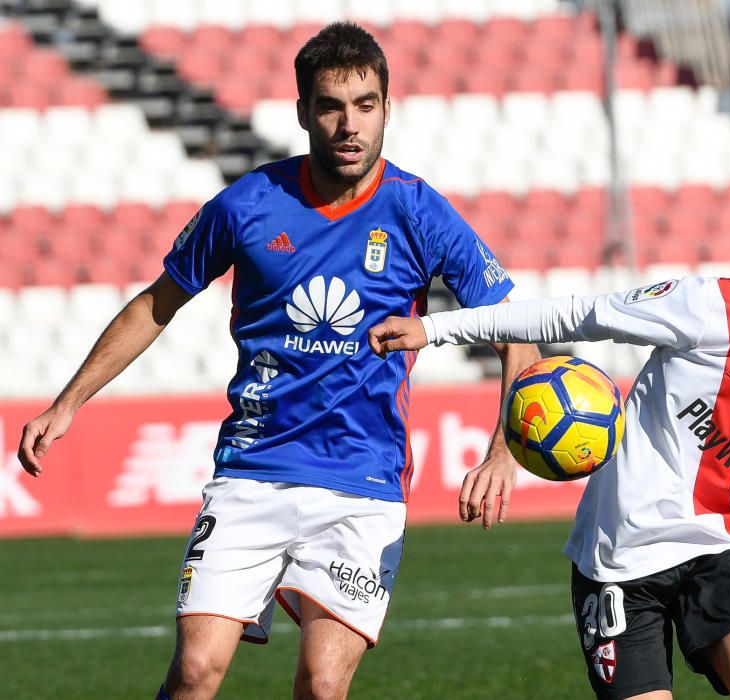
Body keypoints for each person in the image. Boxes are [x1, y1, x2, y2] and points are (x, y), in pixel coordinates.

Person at [18, 22, 538, 700]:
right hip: (251, 475)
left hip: (362, 482)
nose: (349, 124)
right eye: (330, 106)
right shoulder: (246, 205)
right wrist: (69, 401)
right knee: (197, 671)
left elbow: (514, 331)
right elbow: (157, 303)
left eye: (366, 104)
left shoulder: (418, 211)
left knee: (322, 686)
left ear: (385, 107)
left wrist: (503, 450)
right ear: (303, 113)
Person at [369, 195, 730, 700]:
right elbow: (580, 314)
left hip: (723, 555)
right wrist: (436, 328)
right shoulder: (715, 309)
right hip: (616, 559)